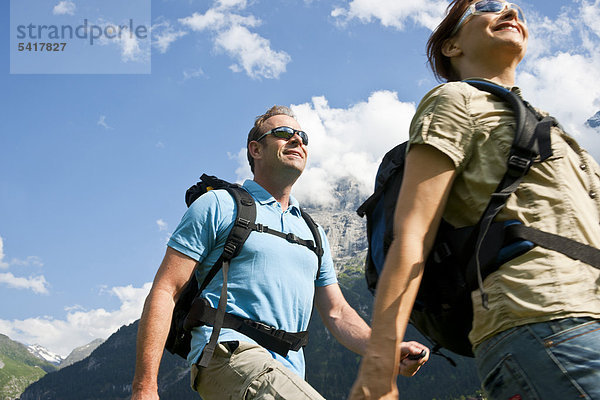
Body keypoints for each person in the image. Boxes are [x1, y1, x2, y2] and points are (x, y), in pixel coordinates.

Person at [349, 1, 600, 399]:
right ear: (452, 46)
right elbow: (414, 231)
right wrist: (378, 364)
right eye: (487, 6)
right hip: (541, 319)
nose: (509, 11)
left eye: (515, 6)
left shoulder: (554, 128)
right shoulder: (455, 99)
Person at [131, 105, 429, 400]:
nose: (297, 140)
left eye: (303, 136)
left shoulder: (313, 232)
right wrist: (145, 389)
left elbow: (337, 312)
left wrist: (384, 349)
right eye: (284, 133)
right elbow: (165, 290)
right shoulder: (219, 205)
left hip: (289, 370)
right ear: (255, 150)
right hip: (228, 354)